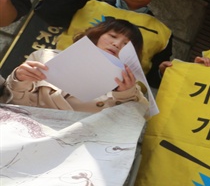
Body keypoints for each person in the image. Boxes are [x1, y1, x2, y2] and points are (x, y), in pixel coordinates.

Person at [34, 0, 172, 87]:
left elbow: (151, 79)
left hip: (113, 101)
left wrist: (161, 73)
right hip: (57, 81)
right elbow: (46, 12)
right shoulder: (87, 5)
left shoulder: (162, 32)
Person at [2, 18, 148, 114]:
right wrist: (19, 80)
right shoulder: (46, 56)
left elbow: (138, 117)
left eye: (126, 44)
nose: (116, 44)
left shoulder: (128, 88)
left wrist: (124, 94)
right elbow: (14, 103)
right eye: (113, 36)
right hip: (22, 125)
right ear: (97, 35)